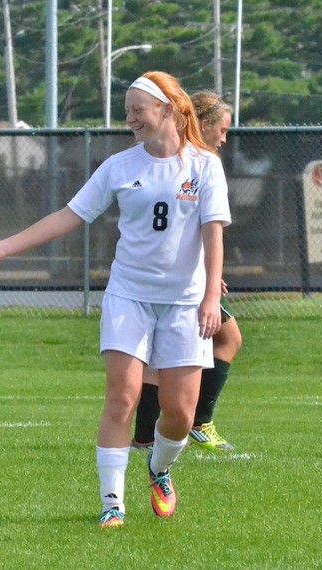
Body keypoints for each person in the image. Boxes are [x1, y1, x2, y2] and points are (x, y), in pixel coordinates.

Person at [0, 72, 231, 523]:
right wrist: (4, 247)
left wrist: (208, 297)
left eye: (137, 110)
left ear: (166, 109)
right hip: (128, 296)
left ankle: (159, 469)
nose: (129, 119)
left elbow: (213, 235)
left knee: (180, 414)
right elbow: (69, 215)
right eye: (126, 112)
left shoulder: (204, 166)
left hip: (184, 303)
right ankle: (112, 505)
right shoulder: (119, 167)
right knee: (122, 396)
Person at [132, 91, 242, 452]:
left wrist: (210, 275)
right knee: (225, 339)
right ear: (205, 125)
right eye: (222, 130)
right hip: (170, 284)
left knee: (159, 357)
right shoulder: (195, 162)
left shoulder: (194, 161)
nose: (224, 139)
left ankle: (148, 435)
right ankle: (194, 423)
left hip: (182, 279)